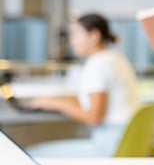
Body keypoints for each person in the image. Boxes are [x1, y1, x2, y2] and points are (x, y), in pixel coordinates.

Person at [27, 13, 140, 157]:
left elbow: (94, 117)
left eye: (76, 35)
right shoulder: (116, 58)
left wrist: (57, 104)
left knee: (31, 156)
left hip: (109, 145)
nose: (72, 40)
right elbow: (94, 101)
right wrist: (55, 101)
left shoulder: (97, 64)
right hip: (124, 139)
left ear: (94, 36)